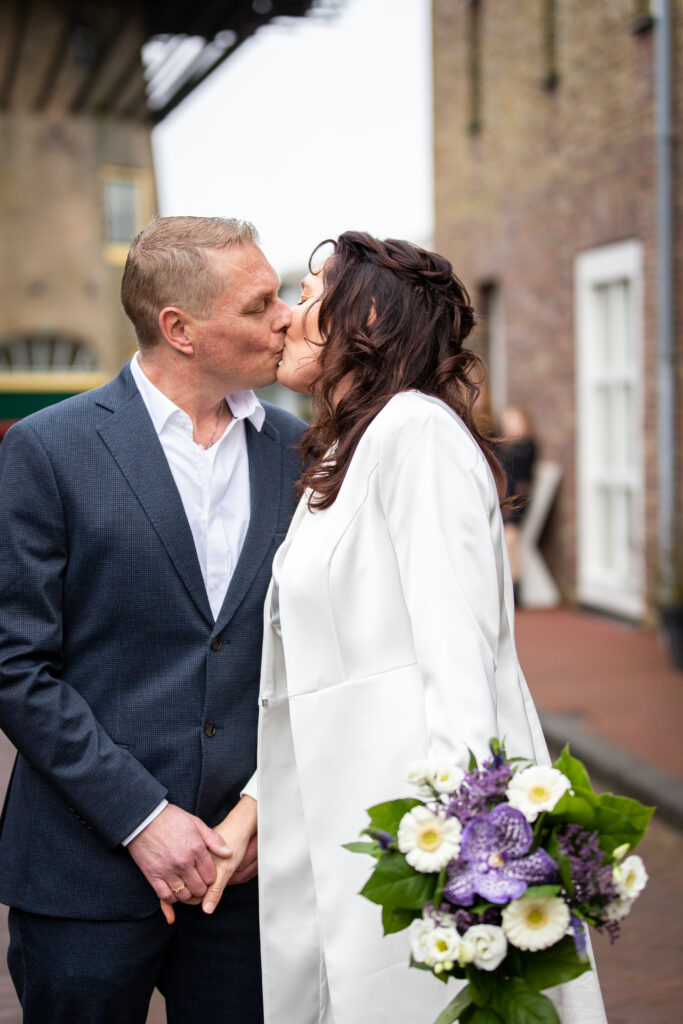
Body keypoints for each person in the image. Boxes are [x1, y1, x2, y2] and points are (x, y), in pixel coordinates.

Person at [199, 231, 607, 1022]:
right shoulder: (351, 451)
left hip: (417, 840)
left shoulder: (414, 432)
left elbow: (459, 658)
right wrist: (260, 802)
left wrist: (471, 868)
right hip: (344, 828)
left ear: (369, 316)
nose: (288, 317)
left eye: (311, 296)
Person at [0, 216, 305, 1023]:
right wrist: (141, 817)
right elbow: (14, 665)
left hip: (247, 882)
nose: (286, 316)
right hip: (83, 874)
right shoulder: (48, 450)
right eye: (259, 303)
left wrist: (256, 814)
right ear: (180, 328)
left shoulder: (302, 453)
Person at [498, 405, 538, 605]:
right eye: (508, 422)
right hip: (507, 503)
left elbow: (520, 477)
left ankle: (515, 587)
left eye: (515, 421)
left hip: (519, 504)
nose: (511, 426)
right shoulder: (504, 447)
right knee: (506, 536)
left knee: (510, 537)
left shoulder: (527, 447)